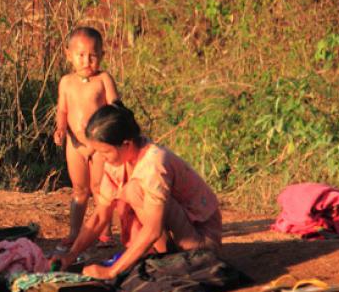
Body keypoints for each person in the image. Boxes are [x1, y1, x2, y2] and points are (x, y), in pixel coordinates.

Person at [57, 102, 222, 281]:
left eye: (105, 152)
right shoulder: (115, 164)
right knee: (129, 192)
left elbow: (153, 229)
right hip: (174, 232)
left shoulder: (154, 163)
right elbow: (100, 216)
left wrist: (112, 271)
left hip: (200, 243)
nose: (101, 158)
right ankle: (162, 254)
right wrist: (71, 255)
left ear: (126, 144)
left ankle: (169, 256)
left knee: (134, 190)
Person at [53, 26, 119, 250]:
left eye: (92, 56)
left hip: (100, 145)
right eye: (80, 55)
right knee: (79, 191)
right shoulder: (66, 82)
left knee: (101, 188)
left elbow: (114, 106)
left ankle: (105, 232)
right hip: (75, 144)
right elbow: (62, 110)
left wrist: (112, 130)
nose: (86, 61)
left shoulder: (103, 79)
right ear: (69, 55)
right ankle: (74, 233)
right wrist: (60, 129)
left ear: (102, 55)